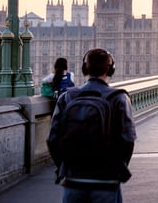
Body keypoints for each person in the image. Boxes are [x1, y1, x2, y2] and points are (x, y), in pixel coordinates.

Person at [47, 48, 136, 203]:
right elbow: (128, 140)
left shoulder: (67, 97)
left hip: (73, 179)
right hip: (106, 180)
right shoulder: (119, 98)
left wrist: (65, 167)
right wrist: (117, 169)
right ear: (110, 69)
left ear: (84, 68)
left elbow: (52, 139)